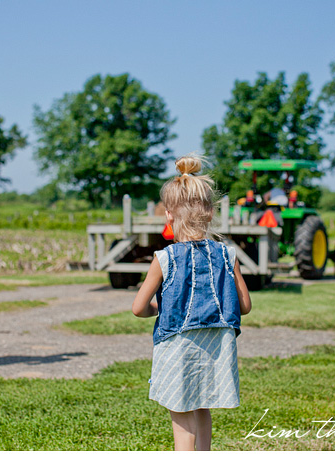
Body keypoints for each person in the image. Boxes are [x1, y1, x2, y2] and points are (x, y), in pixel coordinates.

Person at [132, 154, 251, 451]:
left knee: (182, 410)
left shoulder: (164, 258)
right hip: (217, 344)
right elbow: (245, 306)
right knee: (203, 405)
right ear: (210, 212)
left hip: (178, 344)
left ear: (169, 215)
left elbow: (138, 308)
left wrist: (157, 309)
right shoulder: (228, 255)